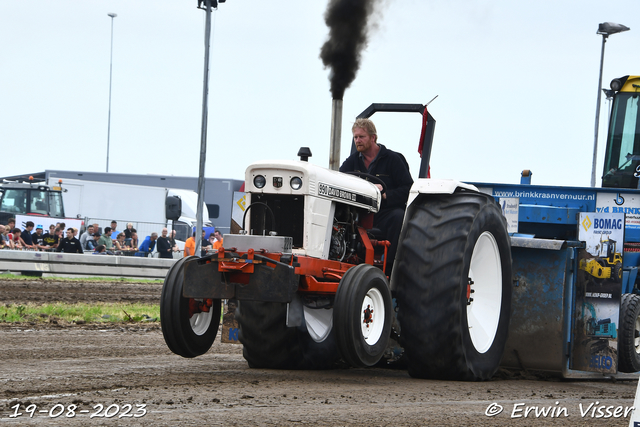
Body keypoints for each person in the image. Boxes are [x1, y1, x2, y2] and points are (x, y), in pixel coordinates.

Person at [339, 118, 413, 275]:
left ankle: (391, 269)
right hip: (358, 213)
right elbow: (337, 180)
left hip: (384, 212)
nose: (357, 140)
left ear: (373, 137)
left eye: (361, 137)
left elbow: (408, 189)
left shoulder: (393, 160)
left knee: (398, 217)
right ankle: (341, 260)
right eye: (355, 137)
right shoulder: (352, 162)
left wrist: (385, 195)